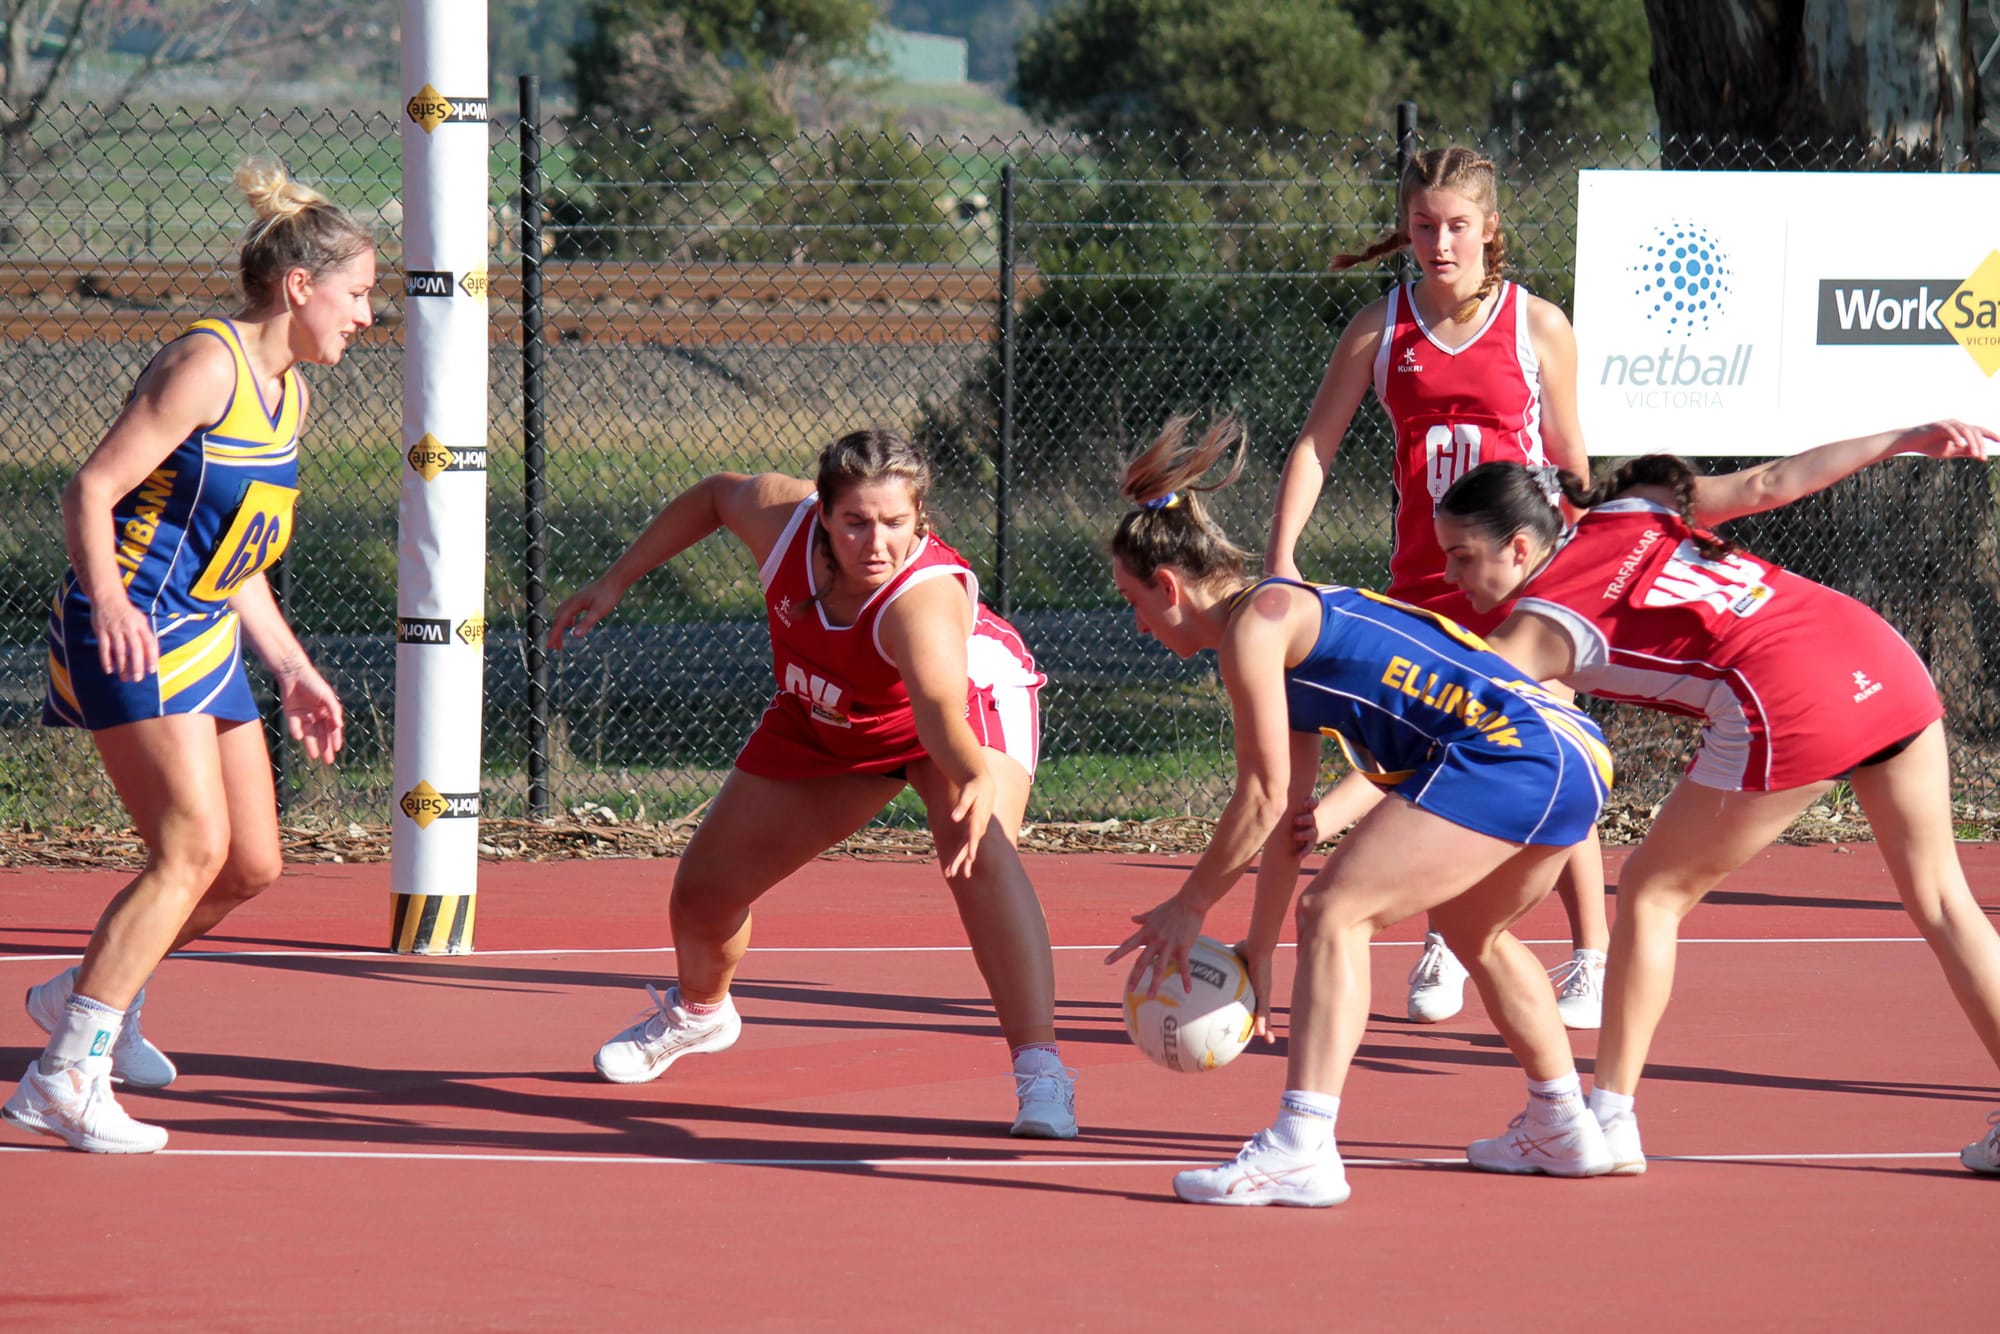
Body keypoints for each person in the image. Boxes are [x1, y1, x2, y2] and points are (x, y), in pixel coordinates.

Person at [1433, 418, 2000, 1177]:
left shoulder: (1539, 630)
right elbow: (1772, 484)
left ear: (1523, 547)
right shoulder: (1634, 507)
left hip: (1795, 697)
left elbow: (1435, 711)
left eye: (1462, 556)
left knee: (1651, 893)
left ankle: (1610, 1121)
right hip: (1877, 656)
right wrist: (1901, 437)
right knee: (1944, 903)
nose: (1452, 575)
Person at [1105, 413, 1618, 1207]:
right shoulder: (1282, 623)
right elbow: (1289, 819)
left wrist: (1190, 902)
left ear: (1169, 586)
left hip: (1513, 751)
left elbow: (1260, 794)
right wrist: (1258, 950)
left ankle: (1302, 1147)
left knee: (1337, 911)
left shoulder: (1259, 626)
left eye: (1135, 602)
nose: (1138, 623)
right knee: (1475, 931)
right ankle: (1562, 1122)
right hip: (1572, 752)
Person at [547, 427, 1077, 1138]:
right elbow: (712, 495)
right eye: (856, 521)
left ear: (921, 519)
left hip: (957, 713)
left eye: (896, 523)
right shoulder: (779, 519)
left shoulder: (922, 603)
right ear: (822, 513)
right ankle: (700, 1013)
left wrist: (975, 775)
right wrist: (617, 578)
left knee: (980, 859)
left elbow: (940, 713)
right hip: (826, 710)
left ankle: (1042, 1075)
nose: (876, 542)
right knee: (704, 894)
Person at [4, 161, 367, 1154]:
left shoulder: (288, 397)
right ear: (301, 287)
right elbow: (88, 490)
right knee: (189, 847)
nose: (367, 317)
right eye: (359, 293)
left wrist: (292, 665)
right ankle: (64, 1074)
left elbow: (235, 557)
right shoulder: (204, 366)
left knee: (250, 863)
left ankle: (82, 990)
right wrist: (112, 599)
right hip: (128, 625)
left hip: (202, 625)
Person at [1265, 145, 1608, 1027]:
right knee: (1431, 756)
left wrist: (1574, 578)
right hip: (1427, 580)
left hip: (1526, 585)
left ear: (1490, 229)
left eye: (1457, 225)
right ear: (1407, 230)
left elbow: (1572, 465)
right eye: (1424, 226)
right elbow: (1316, 443)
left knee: (1548, 747)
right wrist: (1283, 558)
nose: (1440, 242)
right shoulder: (1381, 331)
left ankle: (1592, 955)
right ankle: (1442, 936)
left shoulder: (1538, 326)